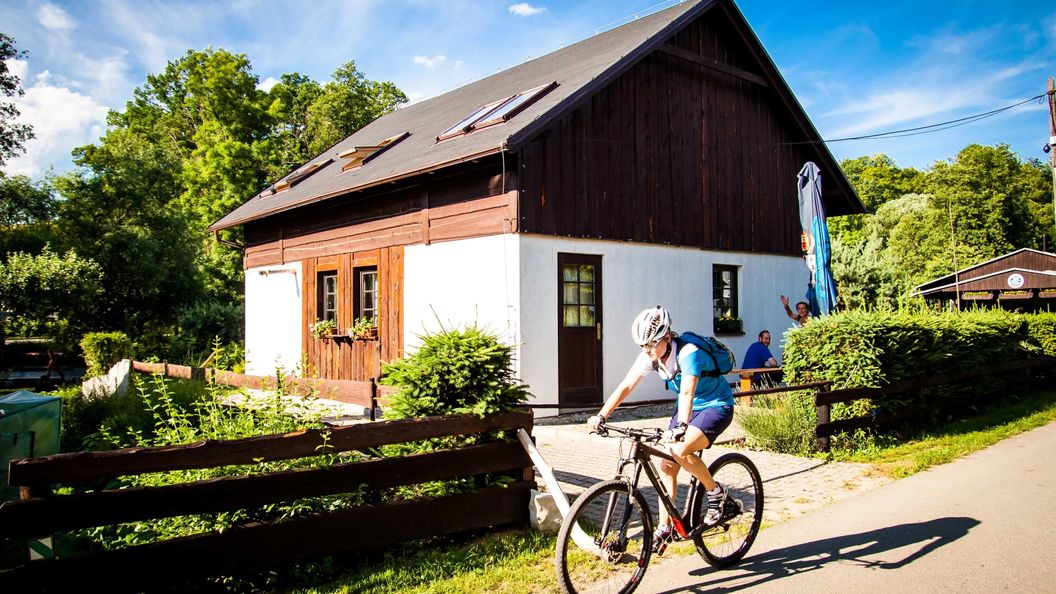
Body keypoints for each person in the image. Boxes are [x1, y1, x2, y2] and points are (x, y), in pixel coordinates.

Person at [587, 306, 735, 555]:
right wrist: (602, 415)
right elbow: (626, 386)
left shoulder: (689, 353)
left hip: (716, 406)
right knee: (667, 465)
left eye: (651, 345)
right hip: (688, 410)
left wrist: (680, 427)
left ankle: (716, 492)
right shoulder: (651, 356)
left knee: (679, 449)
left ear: (667, 337)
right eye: (642, 346)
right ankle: (664, 527)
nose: (647, 351)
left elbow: (687, 392)